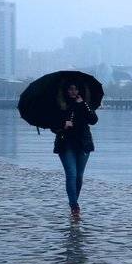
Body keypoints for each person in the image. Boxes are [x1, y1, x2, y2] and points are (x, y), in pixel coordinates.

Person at [50, 81, 99, 220]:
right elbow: (52, 125)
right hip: (65, 144)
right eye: (70, 89)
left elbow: (93, 120)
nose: (73, 92)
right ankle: (74, 206)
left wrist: (82, 104)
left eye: (75, 89)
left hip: (83, 143)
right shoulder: (60, 105)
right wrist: (63, 124)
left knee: (79, 176)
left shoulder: (85, 104)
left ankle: (73, 203)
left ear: (79, 90)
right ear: (66, 91)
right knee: (71, 174)